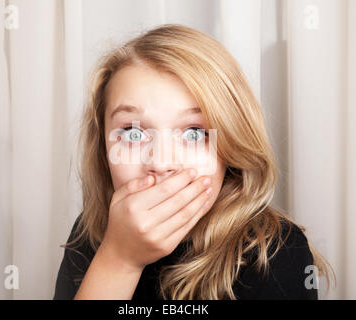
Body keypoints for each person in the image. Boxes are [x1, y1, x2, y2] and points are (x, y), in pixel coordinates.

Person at [53, 24, 335, 300]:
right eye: (133, 132)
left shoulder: (275, 252)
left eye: (194, 133)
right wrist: (118, 261)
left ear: (230, 146)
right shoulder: (89, 236)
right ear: (103, 148)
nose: (161, 163)